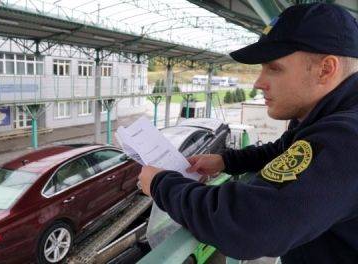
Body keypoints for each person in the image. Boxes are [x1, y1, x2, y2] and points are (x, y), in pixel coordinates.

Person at [138, 3, 358, 264]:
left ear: (325, 69)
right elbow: (284, 151)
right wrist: (227, 161)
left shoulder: (347, 137)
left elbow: (248, 225)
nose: (258, 82)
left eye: (274, 68)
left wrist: (160, 184)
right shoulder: (324, 116)